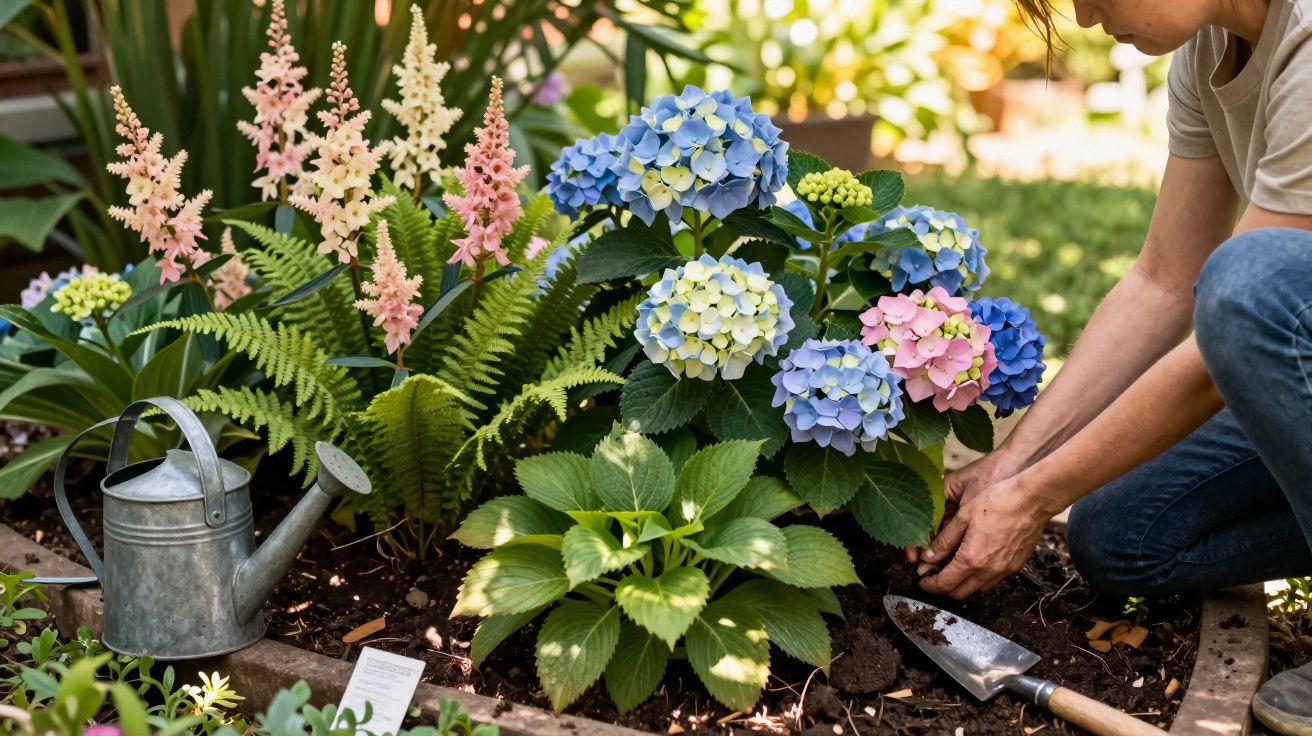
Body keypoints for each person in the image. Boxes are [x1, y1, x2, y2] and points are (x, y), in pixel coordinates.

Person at [903, 0, 1312, 731]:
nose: (1087, 16)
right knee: (1124, 535)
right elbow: (1162, 280)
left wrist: (1031, 500)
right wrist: (1013, 465)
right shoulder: (1210, 49)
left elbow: (1237, 321)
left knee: (1248, 283)